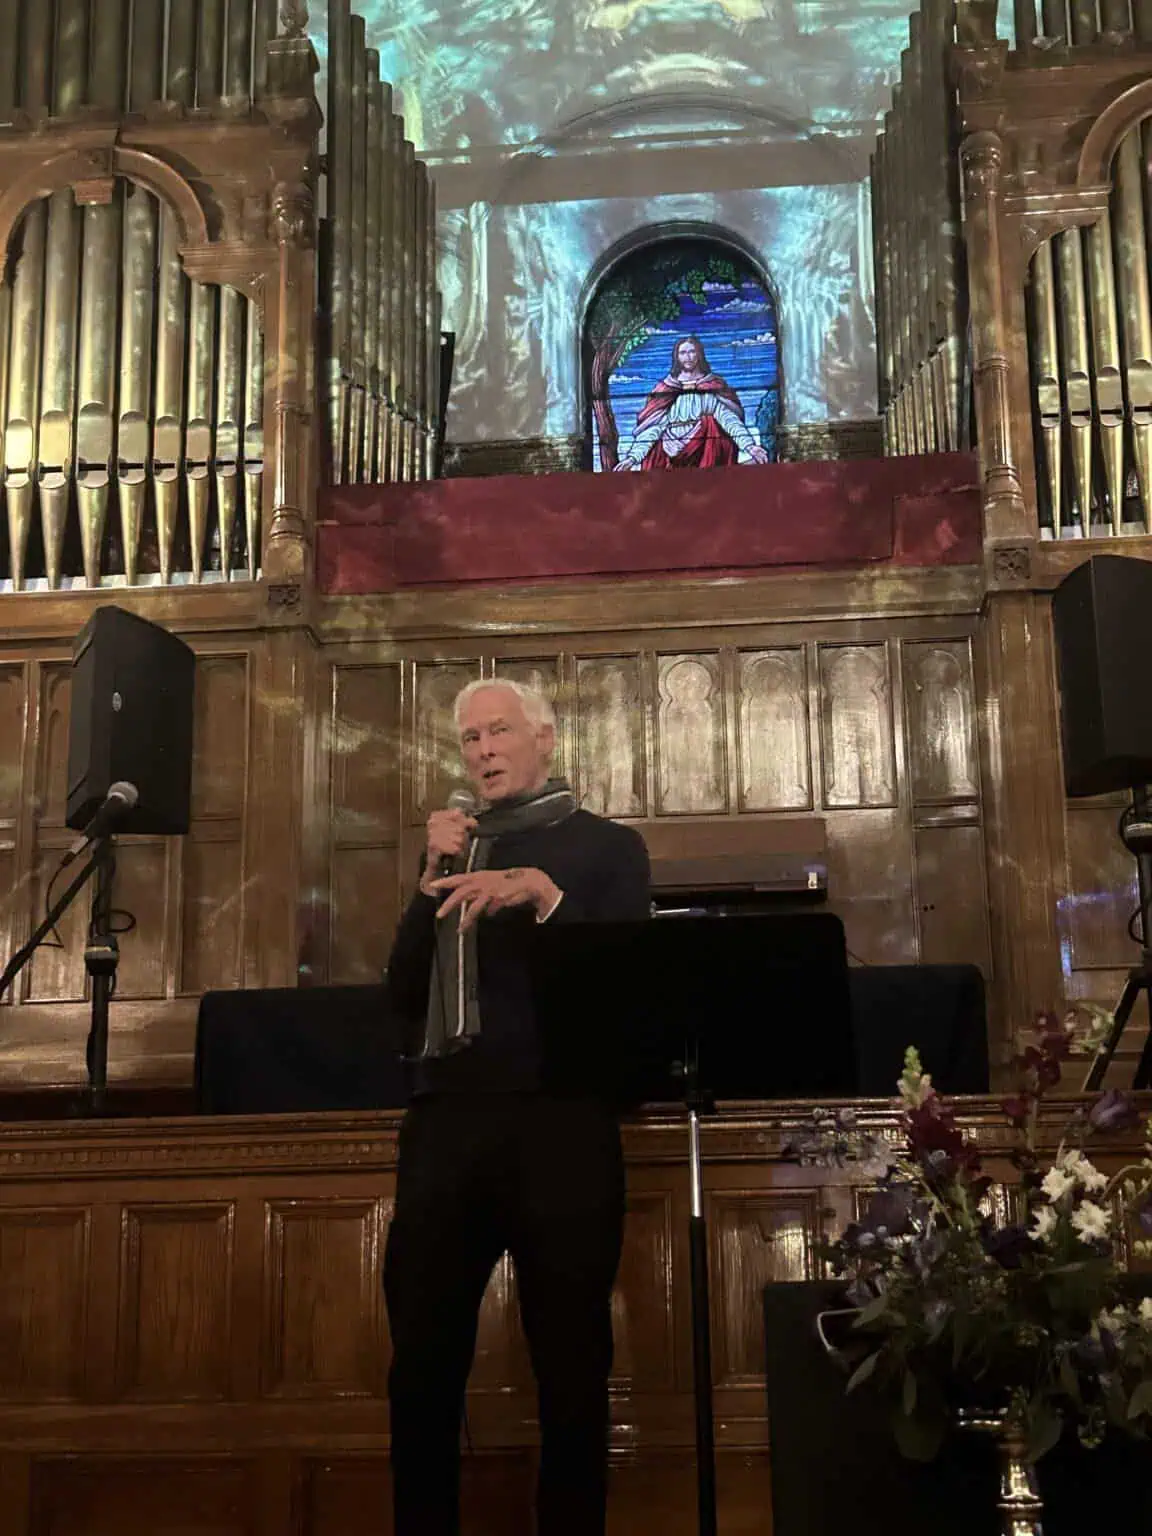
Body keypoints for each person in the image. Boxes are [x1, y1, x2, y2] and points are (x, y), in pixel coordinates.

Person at [383, 678, 651, 1536]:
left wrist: (545, 899)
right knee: (421, 1364)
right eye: (470, 739)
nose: (484, 751)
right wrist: (428, 881)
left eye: (499, 732)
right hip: (447, 1123)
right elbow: (401, 997)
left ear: (544, 738)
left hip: (561, 1123)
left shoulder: (607, 848)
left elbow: (627, 993)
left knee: (572, 1364)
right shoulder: (455, 848)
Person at [614, 334, 771, 470]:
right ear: (677, 357)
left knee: (711, 423)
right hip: (668, 448)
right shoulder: (666, 388)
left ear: (699, 354)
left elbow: (728, 419)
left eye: (691, 352)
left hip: (705, 450)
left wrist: (750, 446)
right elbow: (654, 427)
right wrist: (632, 458)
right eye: (683, 353)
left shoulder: (711, 385)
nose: (688, 357)